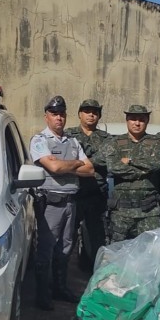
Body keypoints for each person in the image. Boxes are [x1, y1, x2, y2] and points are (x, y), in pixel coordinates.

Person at [29, 96, 94, 311]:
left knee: (66, 248)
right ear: (46, 116)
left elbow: (90, 169)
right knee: (46, 249)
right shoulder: (40, 141)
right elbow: (53, 168)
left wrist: (66, 165)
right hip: (51, 203)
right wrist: (75, 163)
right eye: (55, 114)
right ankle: (41, 294)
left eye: (62, 114)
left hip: (70, 202)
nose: (59, 118)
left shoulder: (73, 142)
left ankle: (60, 288)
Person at [93, 105, 160, 242]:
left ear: (147, 121)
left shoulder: (156, 143)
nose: (137, 123)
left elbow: (156, 164)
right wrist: (143, 170)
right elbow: (113, 167)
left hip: (148, 213)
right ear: (127, 120)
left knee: (150, 253)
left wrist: (129, 161)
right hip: (121, 213)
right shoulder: (114, 143)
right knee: (118, 253)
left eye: (141, 119)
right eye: (133, 119)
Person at [65, 99, 111, 269]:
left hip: (96, 194)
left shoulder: (106, 138)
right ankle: (62, 276)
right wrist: (85, 164)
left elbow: (106, 160)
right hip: (73, 193)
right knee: (67, 236)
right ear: (79, 114)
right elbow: (64, 159)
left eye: (95, 112)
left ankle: (96, 273)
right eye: (87, 111)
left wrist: (77, 163)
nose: (91, 115)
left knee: (97, 237)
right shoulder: (67, 135)